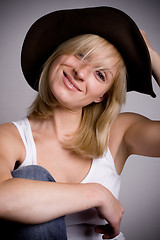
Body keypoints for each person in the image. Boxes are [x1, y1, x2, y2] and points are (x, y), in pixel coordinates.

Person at [0, 6, 159, 240]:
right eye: (80, 54)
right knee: (32, 175)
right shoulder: (10, 137)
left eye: (100, 75)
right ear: (58, 54)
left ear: (101, 95)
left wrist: (149, 54)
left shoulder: (117, 133)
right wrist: (97, 194)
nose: (81, 72)